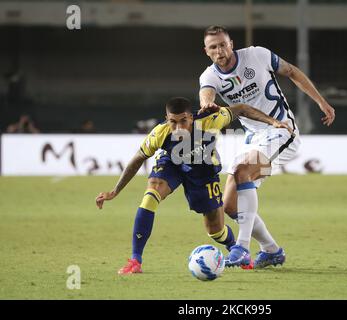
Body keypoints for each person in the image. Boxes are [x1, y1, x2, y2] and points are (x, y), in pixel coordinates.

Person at [95, 97, 292, 274]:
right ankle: (135, 260)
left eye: (183, 121)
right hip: (171, 164)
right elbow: (137, 159)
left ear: (191, 116)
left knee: (215, 229)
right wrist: (115, 191)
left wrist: (273, 122)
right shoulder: (160, 133)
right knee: (151, 194)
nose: (178, 127)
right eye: (172, 122)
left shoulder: (210, 120)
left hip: (203, 173)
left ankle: (234, 248)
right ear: (166, 119)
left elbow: (240, 108)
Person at [198, 26, 335, 268]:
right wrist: (208, 105)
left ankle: (241, 247)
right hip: (253, 138)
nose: (220, 50)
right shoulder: (209, 76)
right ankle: (272, 250)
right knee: (230, 206)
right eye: (213, 47)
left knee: (241, 170)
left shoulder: (256, 55)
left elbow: (291, 71)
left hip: (282, 131)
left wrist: (321, 102)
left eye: (223, 44)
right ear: (206, 51)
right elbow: (206, 96)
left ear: (231, 43)